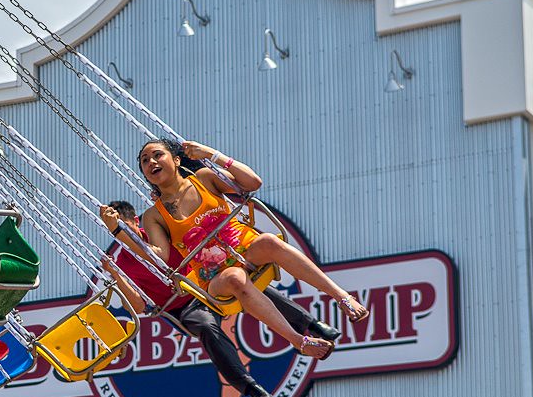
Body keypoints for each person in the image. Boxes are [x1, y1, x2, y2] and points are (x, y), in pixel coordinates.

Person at [101, 137, 369, 359]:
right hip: (212, 274)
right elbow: (160, 257)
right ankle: (299, 341)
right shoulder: (154, 216)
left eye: (157, 155)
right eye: (145, 161)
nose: (151, 163)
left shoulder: (205, 178)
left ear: (177, 160)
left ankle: (341, 296)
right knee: (235, 278)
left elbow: (253, 183)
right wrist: (118, 232)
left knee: (269, 242)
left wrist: (213, 155)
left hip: (244, 245)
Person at [101, 200, 339, 397]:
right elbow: (141, 307)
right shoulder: (123, 263)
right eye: (118, 232)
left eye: (126, 228)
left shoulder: (159, 233)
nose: (125, 236)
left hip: (204, 283)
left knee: (246, 285)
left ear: (135, 221)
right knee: (206, 327)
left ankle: (311, 323)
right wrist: (115, 274)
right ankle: (248, 386)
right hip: (183, 306)